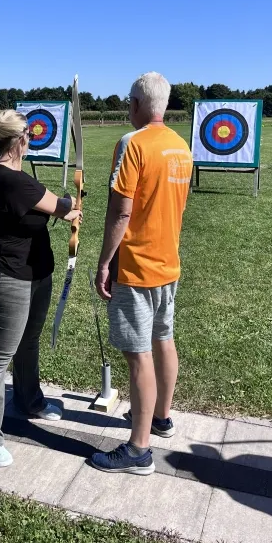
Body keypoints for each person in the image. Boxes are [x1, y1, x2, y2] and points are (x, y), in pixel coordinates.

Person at [91, 72, 192, 475]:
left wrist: (105, 262)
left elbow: (121, 211)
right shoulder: (180, 145)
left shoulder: (131, 143)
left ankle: (139, 449)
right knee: (163, 338)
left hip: (135, 266)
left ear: (136, 104)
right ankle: (161, 418)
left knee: (138, 355)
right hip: (168, 262)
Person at [0, 110, 82, 467]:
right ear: (19, 140)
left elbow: (49, 205)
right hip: (9, 276)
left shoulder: (17, 176)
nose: (31, 141)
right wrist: (71, 203)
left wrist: (65, 205)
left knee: (29, 341)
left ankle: (29, 400)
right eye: (29, 136)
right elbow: (62, 208)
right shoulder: (9, 178)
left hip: (36, 272)